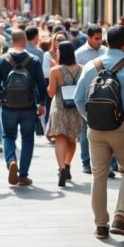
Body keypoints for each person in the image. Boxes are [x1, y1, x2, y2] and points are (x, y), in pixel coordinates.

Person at [74, 25, 124, 240]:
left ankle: (101, 226)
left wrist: (91, 119)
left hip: (96, 129)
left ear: (106, 41)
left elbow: (78, 98)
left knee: (98, 175)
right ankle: (121, 217)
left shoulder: (91, 65)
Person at [0, 29, 47, 186]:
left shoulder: (2, 60)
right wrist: (42, 103)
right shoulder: (34, 60)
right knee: (27, 139)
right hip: (28, 106)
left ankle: (11, 160)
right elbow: (42, 85)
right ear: (25, 41)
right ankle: (23, 175)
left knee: (8, 136)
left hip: (8, 106)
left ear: (12, 42)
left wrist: (1, 98)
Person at [46, 41, 83, 187]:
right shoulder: (81, 69)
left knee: (60, 138)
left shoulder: (55, 70)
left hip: (60, 107)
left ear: (61, 53)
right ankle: (67, 165)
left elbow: (51, 93)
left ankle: (61, 168)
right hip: (75, 109)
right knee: (71, 140)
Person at [74, 24, 108, 175]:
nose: (99, 41)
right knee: (85, 132)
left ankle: (107, 165)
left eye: (101, 38)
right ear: (88, 38)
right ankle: (86, 162)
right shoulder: (79, 54)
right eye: (96, 38)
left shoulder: (105, 52)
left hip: (106, 97)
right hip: (87, 99)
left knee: (107, 132)